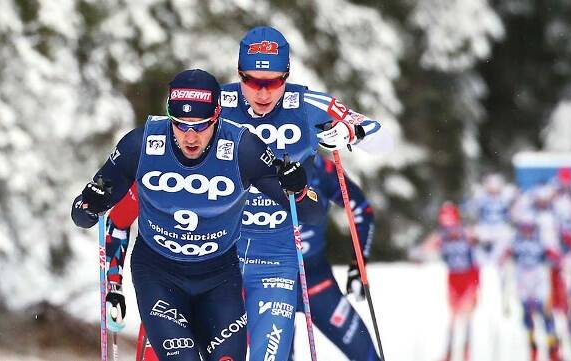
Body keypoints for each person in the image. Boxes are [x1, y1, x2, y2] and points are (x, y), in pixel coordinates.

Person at [71, 69, 323, 361]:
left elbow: (311, 213)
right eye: (180, 125)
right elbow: (83, 217)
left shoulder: (243, 148)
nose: (190, 136)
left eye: (201, 126)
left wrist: (300, 189)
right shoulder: (140, 145)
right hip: (158, 275)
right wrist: (90, 202)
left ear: (217, 116)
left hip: (219, 278)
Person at [221, 25, 391, 361]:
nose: (263, 93)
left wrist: (349, 133)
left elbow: (380, 137)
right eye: (252, 81)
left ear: (287, 75)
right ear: (240, 74)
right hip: (229, 259)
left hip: (293, 262)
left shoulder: (306, 104)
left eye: (274, 82)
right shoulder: (218, 104)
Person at [287, 155, 380, 361]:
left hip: (317, 282)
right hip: (269, 286)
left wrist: (359, 263)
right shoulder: (252, 161)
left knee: (367, 356)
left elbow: (361, 210)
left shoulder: (320, 168)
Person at [412, 202, 480, 361]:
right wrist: (419, 255)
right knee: (453, 318)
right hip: (453, 279)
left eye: (452, 224)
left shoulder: (467, 234)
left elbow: (478, 257)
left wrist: (477, 284)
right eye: (447, 224)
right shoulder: (441, 236)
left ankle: (466, 353)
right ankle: (449, 352)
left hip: (468, 278)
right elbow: (424, 249)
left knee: (467, 317)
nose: (451, 229)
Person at [500, 216, 562, 361]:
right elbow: (504, 257)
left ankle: (553, 349)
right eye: (524, 229)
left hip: (538, 278)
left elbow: (554, 257)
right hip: (522, 279)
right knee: (528, 315)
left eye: (530, 228)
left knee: (546, 314)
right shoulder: (515, 242)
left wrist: (555, 257)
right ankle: (532, 349)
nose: (527, 232)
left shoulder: (541, 241)